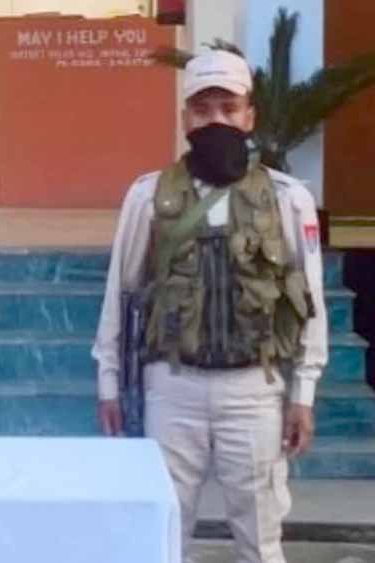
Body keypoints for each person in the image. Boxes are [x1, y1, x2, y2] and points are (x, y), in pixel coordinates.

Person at [92, 48, 328, 563]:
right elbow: (121, 295)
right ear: (185, 119)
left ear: (250, 116)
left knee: (260, 541)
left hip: (255, 390)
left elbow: (310, 303)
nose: (216, 120)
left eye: (228, 108)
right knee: (164, 536)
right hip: (172, 388)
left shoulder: (287, 198)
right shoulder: (148, 197)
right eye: (202, 110)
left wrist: (303, 393)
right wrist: (108, 381)